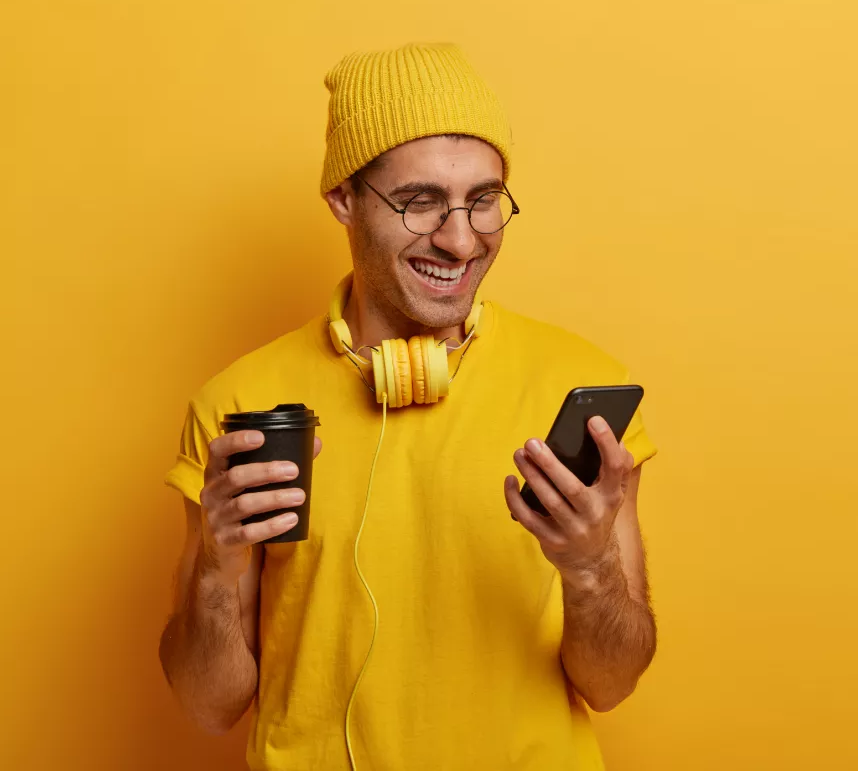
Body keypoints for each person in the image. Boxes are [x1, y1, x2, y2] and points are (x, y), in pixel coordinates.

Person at [158, 42, 658, 771]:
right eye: (419, 201)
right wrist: (215, 565)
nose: (460, 240)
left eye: (484, 199)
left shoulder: (579, 387)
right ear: (343, 200)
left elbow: (611, 683)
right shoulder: (243, 407)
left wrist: (589, 568)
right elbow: (209, 705)